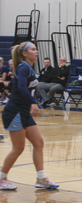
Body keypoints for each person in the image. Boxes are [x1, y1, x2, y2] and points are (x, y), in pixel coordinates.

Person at [0, 42, 60, 190]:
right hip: (14, 111)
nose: (36, 51)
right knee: (18, 147)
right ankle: (1, 178)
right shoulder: (23, 67)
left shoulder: (29, 68)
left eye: (36, 49)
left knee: (39, 142)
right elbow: (20, 87)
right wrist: (33, 102)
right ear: (25, 54)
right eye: (33, 49)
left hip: (23, 112)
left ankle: (41, 179)